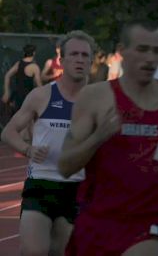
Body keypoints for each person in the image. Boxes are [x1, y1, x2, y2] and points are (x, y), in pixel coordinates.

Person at [58, 20, 158, 256]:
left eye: (156, 51)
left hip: (149, 223)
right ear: (122, 51)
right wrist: (98, 137)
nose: (151, 58)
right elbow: (65, 167)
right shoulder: (96, 98)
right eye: (142, 50)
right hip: (97, 222)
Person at [1, 30, 95, 256]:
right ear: (61, 60)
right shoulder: (42, 95)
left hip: (77, 187)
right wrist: (27, 149)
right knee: (34, 251)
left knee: (60, 251)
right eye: (74, 54)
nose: (80, 59)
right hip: (41, 184)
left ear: (91, 61)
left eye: (85, 55)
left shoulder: (98, 100)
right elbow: (9, 131)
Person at [2, 44, 42, 111]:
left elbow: (7, 75)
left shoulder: (18, 64)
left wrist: (7, 91)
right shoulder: (35, 67)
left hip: (17, 97)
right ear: (34, 53)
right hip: (27, 98)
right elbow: (39, 84)